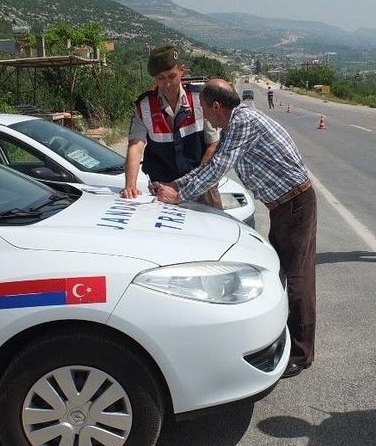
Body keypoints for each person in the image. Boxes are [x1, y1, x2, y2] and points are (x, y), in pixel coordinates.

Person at [153, 79, 317, 380]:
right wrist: (175, 186)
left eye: (205, 110)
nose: (205, 116)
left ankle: (301, 353)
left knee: (297, 279)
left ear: (217, 106)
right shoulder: (237, 124)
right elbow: (212, 165)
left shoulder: (243, 122)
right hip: (286, 205)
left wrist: (179, 196)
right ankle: (291, 340)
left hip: (294, 203)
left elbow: (218, 167)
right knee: (286, 274)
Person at [122, 45, 222, 209]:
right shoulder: (144, 106)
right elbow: (135, 145)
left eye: (172, 76)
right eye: (161, 78)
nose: (167, 83)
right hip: (163, 187)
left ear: (182, 70)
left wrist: (192, 184)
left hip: (201, 184)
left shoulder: (200, 98)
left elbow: (213, 144)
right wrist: (130, 185)